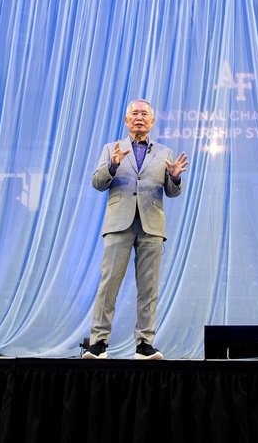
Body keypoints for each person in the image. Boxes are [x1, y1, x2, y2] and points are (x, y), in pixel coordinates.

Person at [82, 99, 188, 359]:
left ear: (152, 121)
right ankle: (98, 343)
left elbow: (173, 193)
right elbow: (97, 182)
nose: (139, 117)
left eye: (144, 114)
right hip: (119, 223)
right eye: (134, 114)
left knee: (148, 288)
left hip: (151, 225)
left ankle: (144, 343)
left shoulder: (165, 152)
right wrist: (113, 165)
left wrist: (174, 176)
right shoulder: (112, 148)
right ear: (126, 120)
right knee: (109, 285)